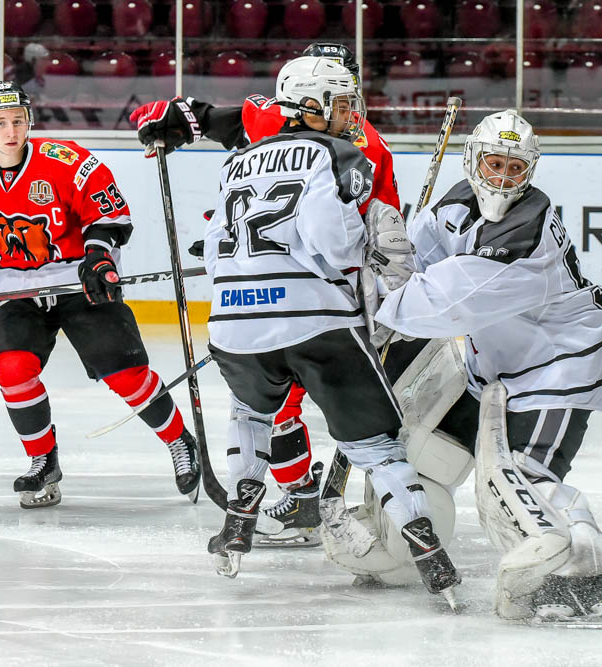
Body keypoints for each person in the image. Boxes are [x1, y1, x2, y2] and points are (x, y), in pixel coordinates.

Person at [199, 56, 459, 604]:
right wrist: (373, 253)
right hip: (314, 320)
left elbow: (216, 256)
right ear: (311, 106)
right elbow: (335, 244)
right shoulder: (337, 152)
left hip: (233, 324)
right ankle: (428, 550)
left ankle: (238, 520)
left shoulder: (237, 163)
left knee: (250, 413)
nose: (350, 114)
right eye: (341, 103)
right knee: (375, 445)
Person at [130, 43, 402, 547]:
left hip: (320, 300)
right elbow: (222, 120)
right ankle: (303, 497)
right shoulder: (284, 119)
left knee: (291, 402)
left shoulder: (365, 147)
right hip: (280, 297)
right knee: (281, 405)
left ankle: (310, 498)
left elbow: (375, 239)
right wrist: (175, 118)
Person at [362, 109, 602, 627]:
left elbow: (447, 301)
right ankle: (399, 546)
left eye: (514, 168)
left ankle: (585, 571)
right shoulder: (459, 202)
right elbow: (418, 259)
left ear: (529, 172)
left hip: (555, 371)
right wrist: (381, 261)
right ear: (472, 161)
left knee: (517, 481)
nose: (502, 178)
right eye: (494, 164)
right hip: (496, 368)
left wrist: (379, 302)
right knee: (425, 454)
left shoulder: (526, 230)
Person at [0, 80, 201, 509]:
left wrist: (97, 256)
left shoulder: (66, 161)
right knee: (13, 367)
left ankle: (179, 441)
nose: (10, 129)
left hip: (80, 280)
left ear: (29, 121)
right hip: (19, 285)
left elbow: (107, 214)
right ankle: (43, 460)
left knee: (124, 374)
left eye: (17, 120)